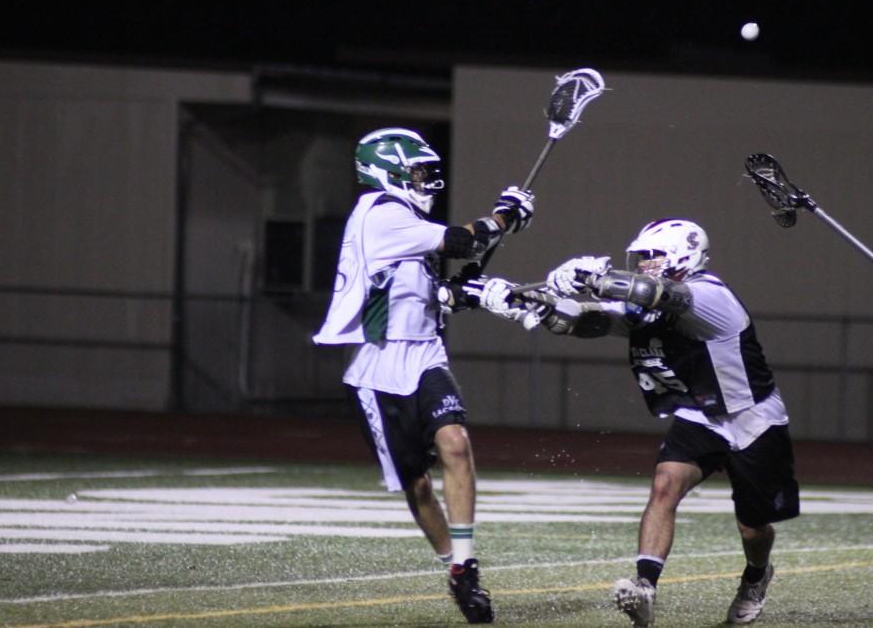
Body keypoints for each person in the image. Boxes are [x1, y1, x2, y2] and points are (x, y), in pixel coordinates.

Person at [478, 218, 800, 627]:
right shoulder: (651, 305)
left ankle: (756, 577)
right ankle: (644, 586)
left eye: (654, 255)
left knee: (753, 528)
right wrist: (531, 305)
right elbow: (586, 321)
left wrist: (592, 278)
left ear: (685, 254)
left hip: (752, 418)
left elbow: (651, 292)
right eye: (643, 256)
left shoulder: (708, 295)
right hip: (699, 413)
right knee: (665, 486)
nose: (645, 264)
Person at [313, 127, 534, 624]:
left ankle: (465, 565)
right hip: (377, 366)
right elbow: (462, 239)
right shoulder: (381, 214)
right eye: (418, 173)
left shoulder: (407, 219)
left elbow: (443, 284)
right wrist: (504, 215)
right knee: (417, 487)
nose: (428, 182)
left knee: (455, 442)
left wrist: (473, 290)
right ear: (387, 173)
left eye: (430, 173)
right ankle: (451, 565)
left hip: (426, 355)